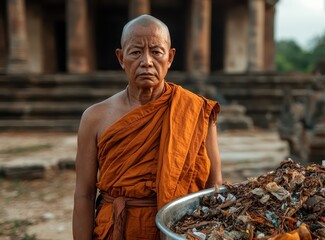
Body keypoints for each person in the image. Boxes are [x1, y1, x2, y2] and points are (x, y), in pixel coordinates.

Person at [72, 14, 222, 239]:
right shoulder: (95, 118)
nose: (147, 61)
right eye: (135, 52)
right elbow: (83, 194)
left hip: (178, 228)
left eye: (156, 52)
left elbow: (214, 186)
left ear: (170, 58)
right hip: (116, 230)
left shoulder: (196, 111)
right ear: (121, 58)